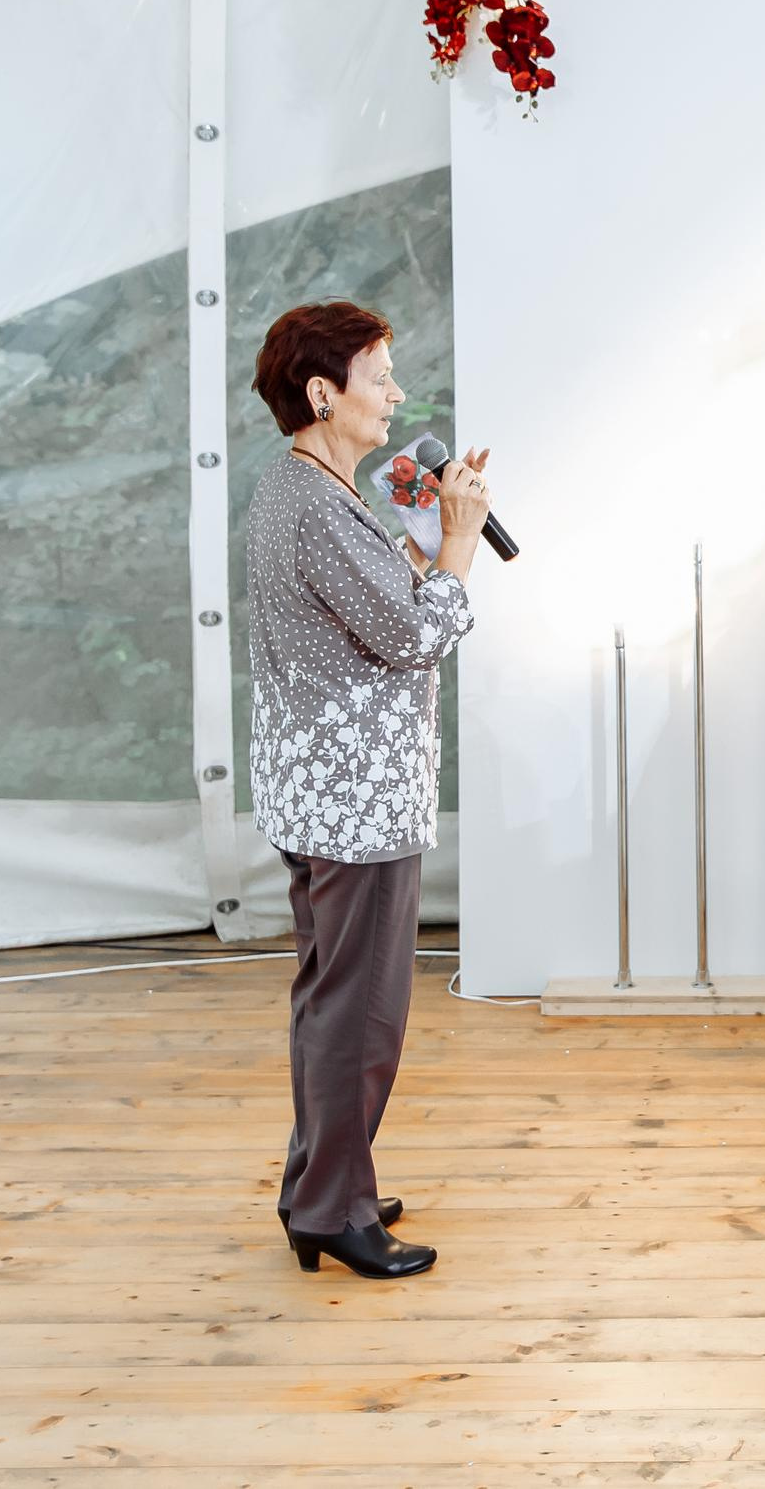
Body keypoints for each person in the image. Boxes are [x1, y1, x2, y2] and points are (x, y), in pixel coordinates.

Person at [245, 301, 492, 1280]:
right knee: (361, 1013)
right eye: (379, 377)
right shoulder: (317, 504)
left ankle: (319, 1185)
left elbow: (377, 607)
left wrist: (426, 538)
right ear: (323, 393)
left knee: (329, 1000)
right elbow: (416, 635)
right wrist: (460, 541)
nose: (396, 394)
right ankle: (334, 1210)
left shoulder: (299, 487)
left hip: (316, 794)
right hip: (356, 805)